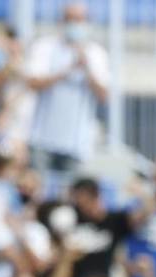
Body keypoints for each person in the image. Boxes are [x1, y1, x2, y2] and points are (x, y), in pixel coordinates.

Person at [25, 3, 109, 171]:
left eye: (78, 20)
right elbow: (33, 83)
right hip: (42, 140)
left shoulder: (95, 53)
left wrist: (86, 68)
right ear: (61, 21)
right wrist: (67, 70)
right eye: (70, 19)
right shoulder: (45, 46)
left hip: (76, 144)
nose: (74, 24)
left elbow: (104, 95)